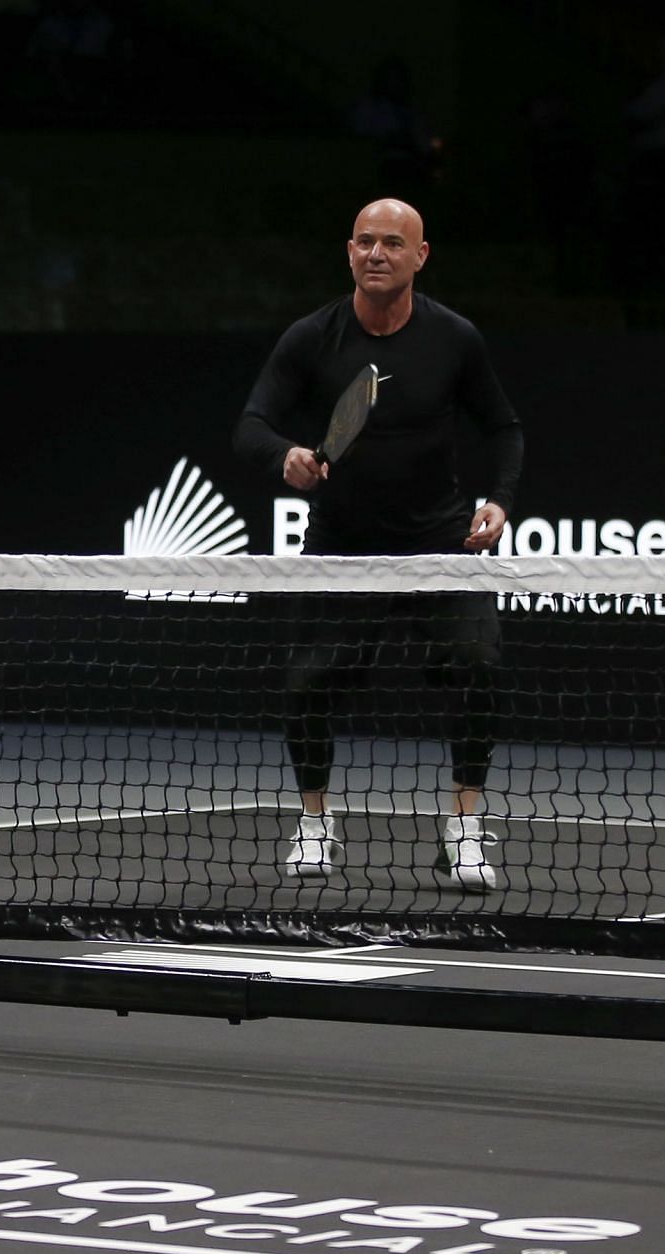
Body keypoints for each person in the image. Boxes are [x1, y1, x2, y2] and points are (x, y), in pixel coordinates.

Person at [234, 198, 524, 892]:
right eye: (365, 242)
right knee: (307, 687)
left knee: (477, 665)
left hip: (438, 543)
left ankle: (463, 828)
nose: (376, 254)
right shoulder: (311, 338)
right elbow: (252, 424)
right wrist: (287, 456)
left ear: (419, 256)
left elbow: (504, 428)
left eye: (393, 243)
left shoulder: (455, 339)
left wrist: (501, 500)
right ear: (349, 252)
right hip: (343, 547)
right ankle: (313, 822)